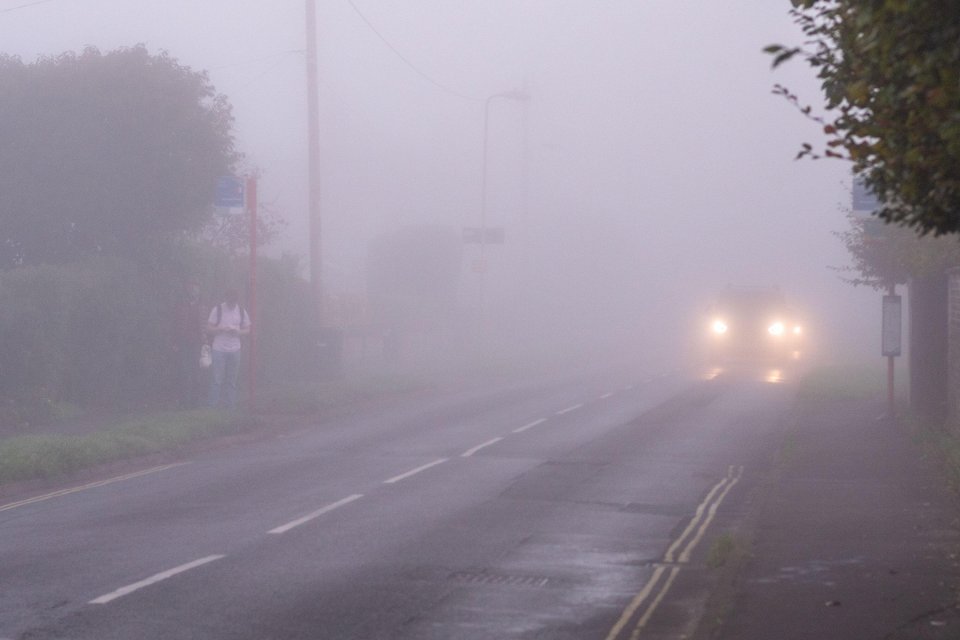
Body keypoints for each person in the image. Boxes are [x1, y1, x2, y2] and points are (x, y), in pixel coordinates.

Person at [206, 288, 251, 409]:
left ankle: (230, 407)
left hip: (235, 349)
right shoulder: (218, 310)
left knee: (231, 380)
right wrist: (219, 329)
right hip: (218, 349)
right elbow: (209, 328)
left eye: (234, 302)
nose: (232, 304)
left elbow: (248, 329)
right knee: (217, 379)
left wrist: (238, 332)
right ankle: (212, 407)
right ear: (226, 299)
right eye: (230, 302)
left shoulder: (241, 311)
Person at [172, 276, 205, 408]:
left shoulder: (203, 305)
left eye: (196, 287)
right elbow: (174, 324)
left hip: (198, 343)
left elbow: (207, 324)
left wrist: (206, 342)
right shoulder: (180, 305)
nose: (193, 290)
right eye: (191, 287)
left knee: (197, 372)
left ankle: (195, 402)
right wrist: (174, 342)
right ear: (187, 289)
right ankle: (183, 402)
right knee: (184, 372)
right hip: (183, 343)